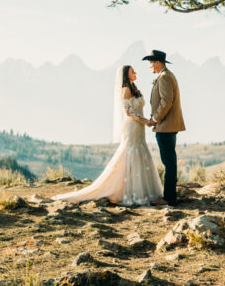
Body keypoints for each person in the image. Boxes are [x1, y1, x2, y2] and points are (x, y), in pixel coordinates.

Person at [51, 64, 163, 206]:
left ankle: (143, 191)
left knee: (140, 154)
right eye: (132, 71)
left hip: (139, 127)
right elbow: (129, 112)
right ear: (126, 75)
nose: (135, 72)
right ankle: (128, 191)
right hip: (132, 126)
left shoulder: (134, 88)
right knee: (129, 154)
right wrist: (145, 121)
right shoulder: (125, 90)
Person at [144, 49, 184, 205]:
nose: (150, 66)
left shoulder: (165, 77)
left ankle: (168, 198)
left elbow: (166, 102)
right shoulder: (165, 76)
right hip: (166, 125)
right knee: (169, 161)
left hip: (165, 126)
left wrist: (155, 119)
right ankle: (170, 196)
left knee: (168, 162)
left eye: (151, 62)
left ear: (158, 62)